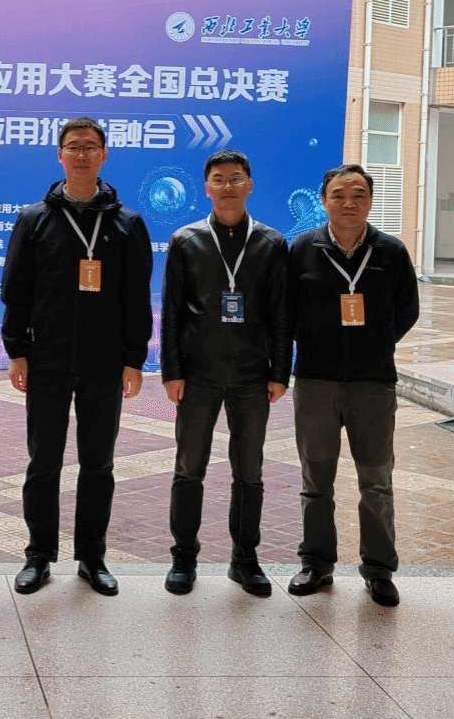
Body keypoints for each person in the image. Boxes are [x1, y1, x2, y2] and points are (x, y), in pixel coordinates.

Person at [1, 116, 153, 596]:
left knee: (98, 463)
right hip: (47, 359)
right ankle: (38, 555)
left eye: (90, 146)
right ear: (59, 155)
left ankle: (92, 556)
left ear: (104, 155)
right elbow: (15, 290)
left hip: (104, 362)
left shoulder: (127, 223)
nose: (82, 154)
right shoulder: (34, 219)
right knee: (43, 462)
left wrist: (134, 359)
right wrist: (17, 352)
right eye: (73, 146)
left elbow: (136, 297)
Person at [286, 164, 419, 607]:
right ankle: (316, 563)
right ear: (325, 200)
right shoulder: (303, 249)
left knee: (376, 481)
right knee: (315, 479)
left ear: (371, 201)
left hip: (373, 384)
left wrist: (375, 344)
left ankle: (378, 570)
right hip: (316, 382)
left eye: (359, 194)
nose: (349, 203)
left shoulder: (391, 251)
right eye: (339, 194)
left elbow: (408, 309)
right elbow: (285, 311)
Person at [160, 149, 291, 598]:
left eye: (236, 178)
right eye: (219, 179)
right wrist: (171, 371)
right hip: (197, 375)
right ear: (207, 187)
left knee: (249, 472)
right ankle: (183, 557)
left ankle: (245, 560)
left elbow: (281, 314)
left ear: (249, 184)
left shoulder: (271, 243)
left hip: (253, 376)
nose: (228, 186)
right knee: (188, 469)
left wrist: (279, 372)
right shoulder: (186, 240)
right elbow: (173, 311)